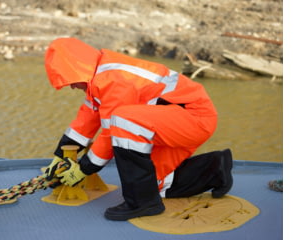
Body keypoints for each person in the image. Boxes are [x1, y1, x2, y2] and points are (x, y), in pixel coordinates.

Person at [44, 37, 233, 221]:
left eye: (71, 81)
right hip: (172, 120)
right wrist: (61, 155)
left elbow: (111, 133)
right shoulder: (99, 79)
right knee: (155, 184)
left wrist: (84, 169)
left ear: (79, 69)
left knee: (122, 121)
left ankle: (142, 203)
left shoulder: (115, 79)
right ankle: (215, 168)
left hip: (193, 118)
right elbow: (87, 118)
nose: (72, 87)